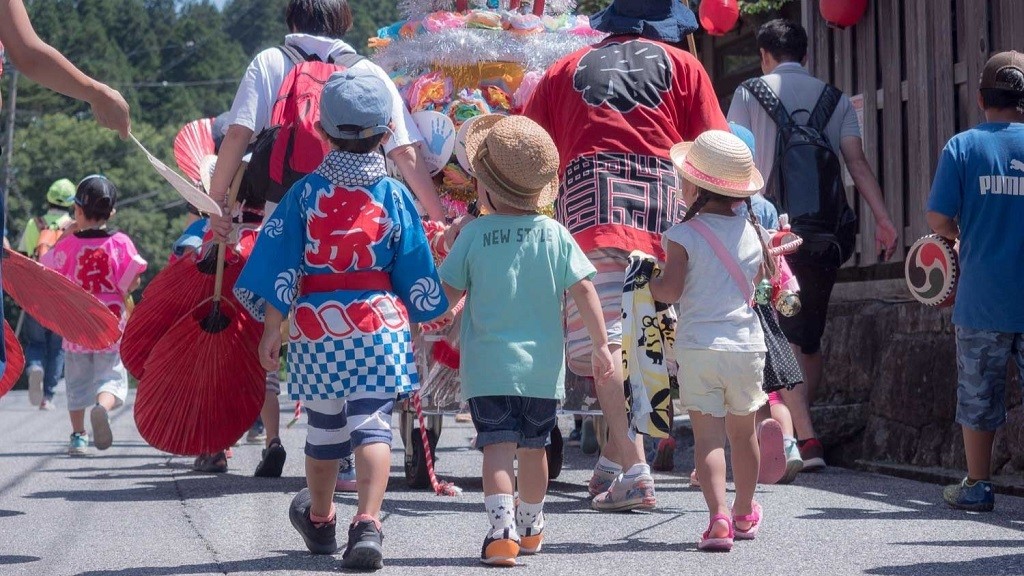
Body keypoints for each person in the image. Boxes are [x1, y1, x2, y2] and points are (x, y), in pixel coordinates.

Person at [207, 0, 446, 479]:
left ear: (293, 19)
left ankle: (304, 440)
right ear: (343, 22)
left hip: (293, 211)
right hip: (367, 218)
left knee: (292, 331)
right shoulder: (366, 74)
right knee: (366, 322)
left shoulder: (271, 62)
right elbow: (405, 150)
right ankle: (368, 438)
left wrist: (217, 206)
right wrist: (437, 218)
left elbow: (237, 134)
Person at [234, 69, 447, 570]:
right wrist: (424, 316)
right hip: (379, 324)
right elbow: (414, 262)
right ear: (387, 134)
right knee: (373, 426)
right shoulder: (395, 194)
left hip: (317, 325)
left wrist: (271, 329)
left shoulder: (304, 194)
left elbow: (279, 264)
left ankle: (323, 518)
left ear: (322, 132)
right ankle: (368, 524)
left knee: (325, 431)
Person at [523, 0, 728, 510]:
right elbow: (716, 148)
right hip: (662, 206)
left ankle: (631, 465)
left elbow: (529, 147)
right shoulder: (685, 66)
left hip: (590, 203)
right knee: (649, 338)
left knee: (606, 340)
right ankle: (620, 459)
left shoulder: (563, 70)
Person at [437, 115, 614, 565]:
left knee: (496, 450)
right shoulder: (554, 234)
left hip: (488, 370)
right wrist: (600, 344)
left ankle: (501, 534)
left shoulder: (473, 234)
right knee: (536, 450)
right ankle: (532, 525)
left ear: (486, 187)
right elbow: (584, 289)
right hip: (541, 372)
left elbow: (446, 295)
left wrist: (435, 304)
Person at [726, 19, 899, 470]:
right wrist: (882, 219)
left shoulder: (748, 93)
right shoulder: (835, 99)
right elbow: (856, 163)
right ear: (805, 56)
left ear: (764, 54)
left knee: (768, 328)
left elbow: (735, 159)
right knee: (808, 336)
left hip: (767, 231)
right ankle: (801, 434)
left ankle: (795, 435)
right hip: (823, 235)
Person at [649, 130, 773, 551]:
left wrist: (649, 281)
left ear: (696, 185)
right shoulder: (754, 234)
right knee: (745, 436)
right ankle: (743, 511)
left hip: (699, 347)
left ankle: (717, 519)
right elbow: (754, 287)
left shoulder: (682, 236)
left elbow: (671, 292)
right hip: (745, 347)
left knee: (707, 440)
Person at [0, 0, 131, 385]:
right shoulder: (112, 238)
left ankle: (40, 371)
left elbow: (36, 253)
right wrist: (97, 92)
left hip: (48, 298)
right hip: (82, 312)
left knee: (43, 351)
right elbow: (26, 51)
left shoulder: (39, 223)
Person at [926, 51, 1024, 513]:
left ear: (982, 97)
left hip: (982, 298)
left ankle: (979, 485)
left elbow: (939, 217)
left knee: (978, 396)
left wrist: (958, 232)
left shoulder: (962, 148)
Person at [40, 176, 147, 456]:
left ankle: (78, 435)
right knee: (110, 376)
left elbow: (46, 269)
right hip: (109, 324)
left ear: (77, 211)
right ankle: (102, 407)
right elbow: (132, 281)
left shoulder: (69, 245)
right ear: (111, 212)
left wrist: (63, 237)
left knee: (75, 381)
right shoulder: (121, 243)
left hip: (76, 325)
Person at [17, 178, 75, 410]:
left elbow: (21, 257)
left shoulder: (35, 223)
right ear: (72, 203)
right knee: (57, 347)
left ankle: (35, 368)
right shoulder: (71, 226)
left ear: (49, 198)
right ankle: (48, 396)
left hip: (35, 294)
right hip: (62, 296)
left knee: (36, 342)